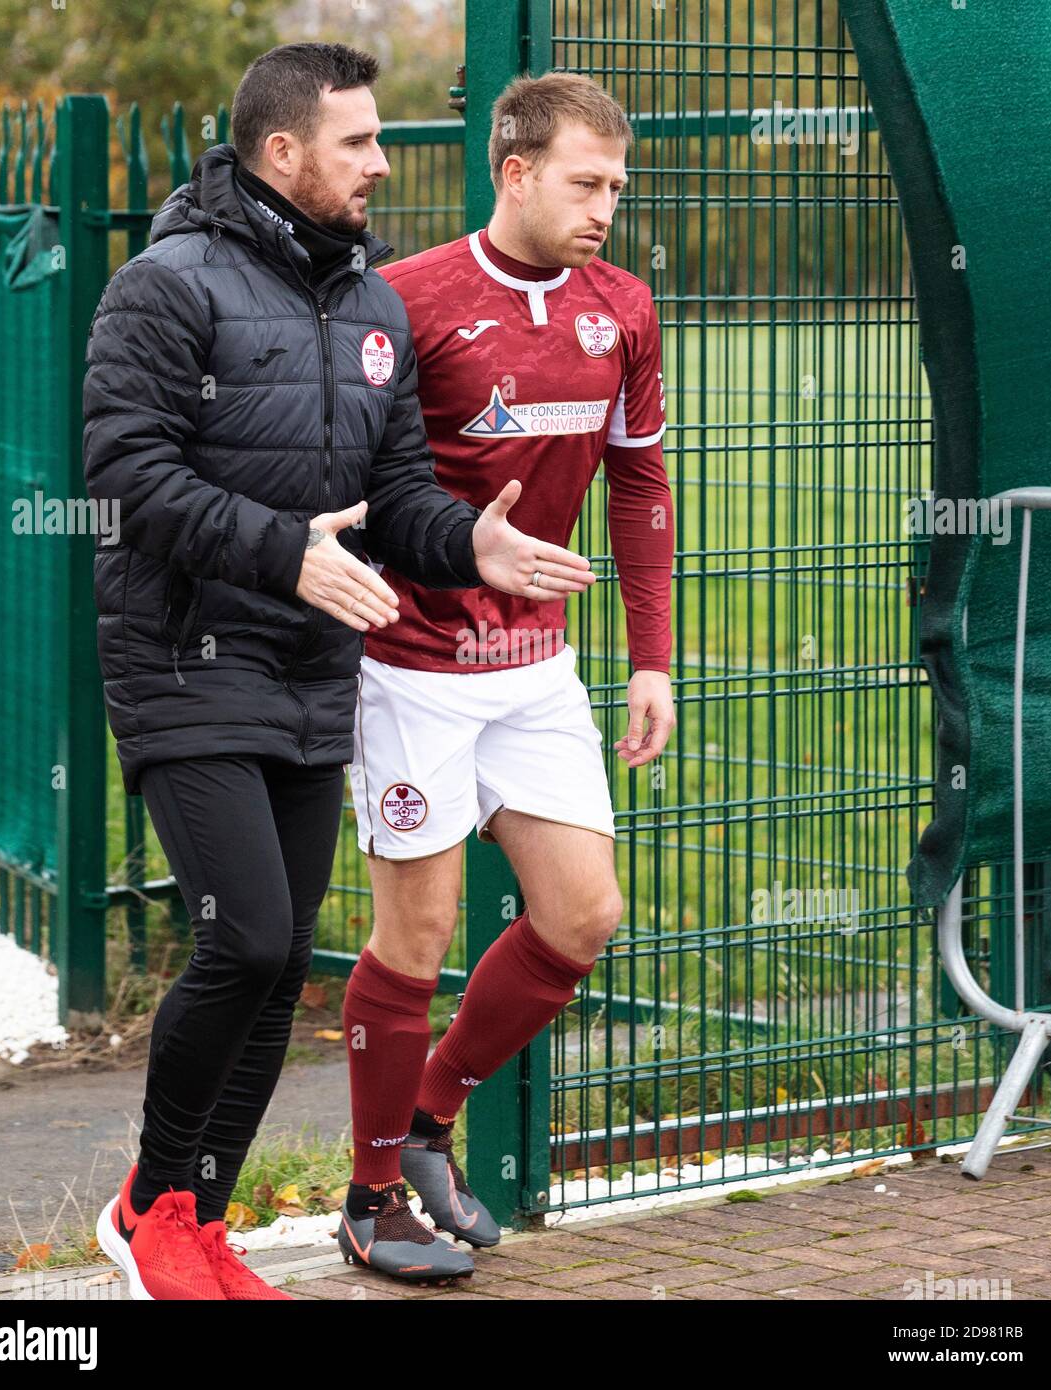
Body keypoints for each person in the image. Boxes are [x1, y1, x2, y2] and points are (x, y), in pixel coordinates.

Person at [84, 43, 593, 1300]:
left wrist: (463, 540)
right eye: (358, 142)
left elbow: (396, 495)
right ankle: (147, 1203)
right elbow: (128, 477)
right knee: (243, 936)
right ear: (281, 154)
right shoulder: (162, 287)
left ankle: (202, 1221)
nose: (380, 162)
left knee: (279, 954)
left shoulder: (367, 302)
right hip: (186, 660)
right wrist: (285, 558)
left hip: (316, 671)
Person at [341, 72, 676, 1277]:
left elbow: (639, 485)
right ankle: (369, 1194)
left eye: (617, 187)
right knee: (415, 939)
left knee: (581, 913)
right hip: (411, 661)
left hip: (538, 668)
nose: (606, 207)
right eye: (586, 183)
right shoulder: (404, 299)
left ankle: (428, 1120)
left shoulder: (619, 305)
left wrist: (650, 658)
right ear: (515, 170)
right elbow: (367, 488)